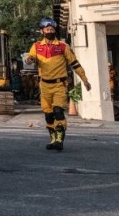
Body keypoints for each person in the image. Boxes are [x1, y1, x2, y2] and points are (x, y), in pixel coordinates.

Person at [32, 18, 91, 151]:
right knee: (48, 114)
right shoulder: (36, 46)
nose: (50, 31)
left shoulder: (63, 46)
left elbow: (75, 63)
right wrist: (30, 59)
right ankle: (52, 138)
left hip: (59, 84)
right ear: (42, 31)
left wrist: (84, 79)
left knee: (58, 111)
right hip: (44, 85)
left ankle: (59, 139)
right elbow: (30, 57)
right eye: (47, 30)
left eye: (52, 29)